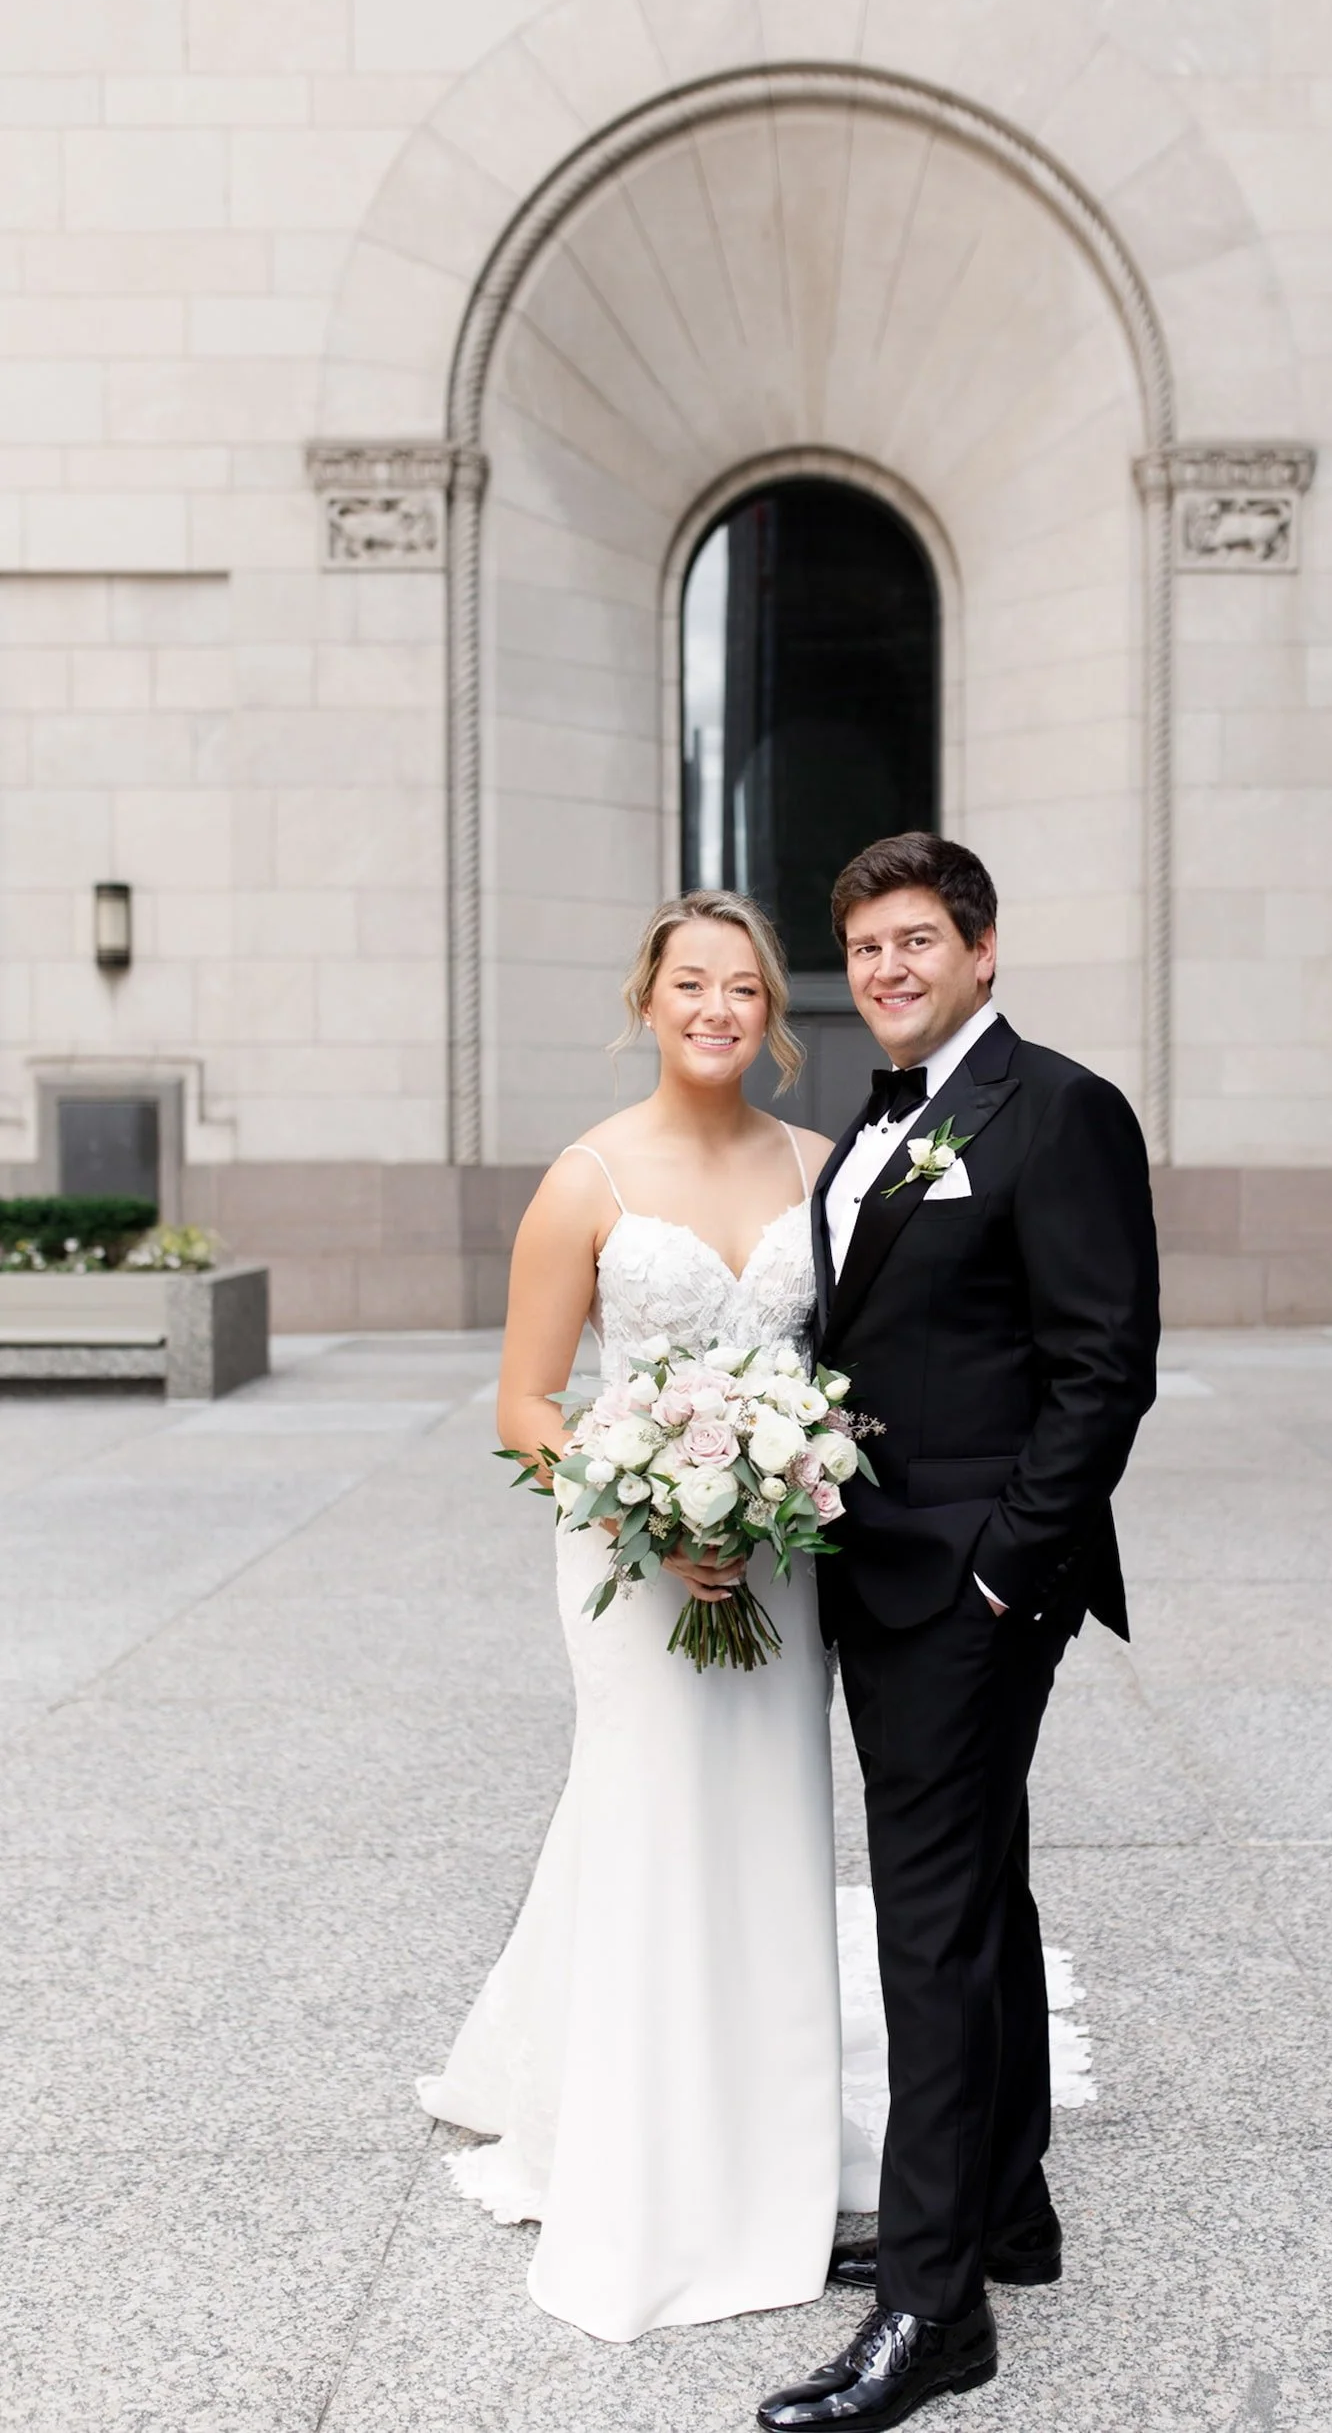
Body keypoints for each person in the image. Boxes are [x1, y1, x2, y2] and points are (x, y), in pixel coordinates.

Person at [757, 833, 1159, 2432]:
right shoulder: (880, 1115)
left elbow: (1103, 1361)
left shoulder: (1057, 1109)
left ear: (985, 951)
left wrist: (1004, 1570)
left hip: (969, 1589)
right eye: (865, 950)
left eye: (918, 942)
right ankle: (1005, 2213)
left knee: (922, 1925)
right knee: (978, 1881)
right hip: (883, 1566)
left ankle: (936, 2310)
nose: (889, 972)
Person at [418, 890, 846, 2345]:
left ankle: (768, 2135)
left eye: (744, 988)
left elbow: (844, 1373)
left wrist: (776, 1485)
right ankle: (642, 2147)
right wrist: (649, 1513)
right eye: (691, 985)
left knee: (768, 1818)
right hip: (628, 1558)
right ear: (647, 1002)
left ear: (771, 1013)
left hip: (784, 1555)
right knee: (653, 1811)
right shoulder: (588, 1179)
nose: (718, 1009)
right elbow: (528, 1403)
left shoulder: (823, 1170)